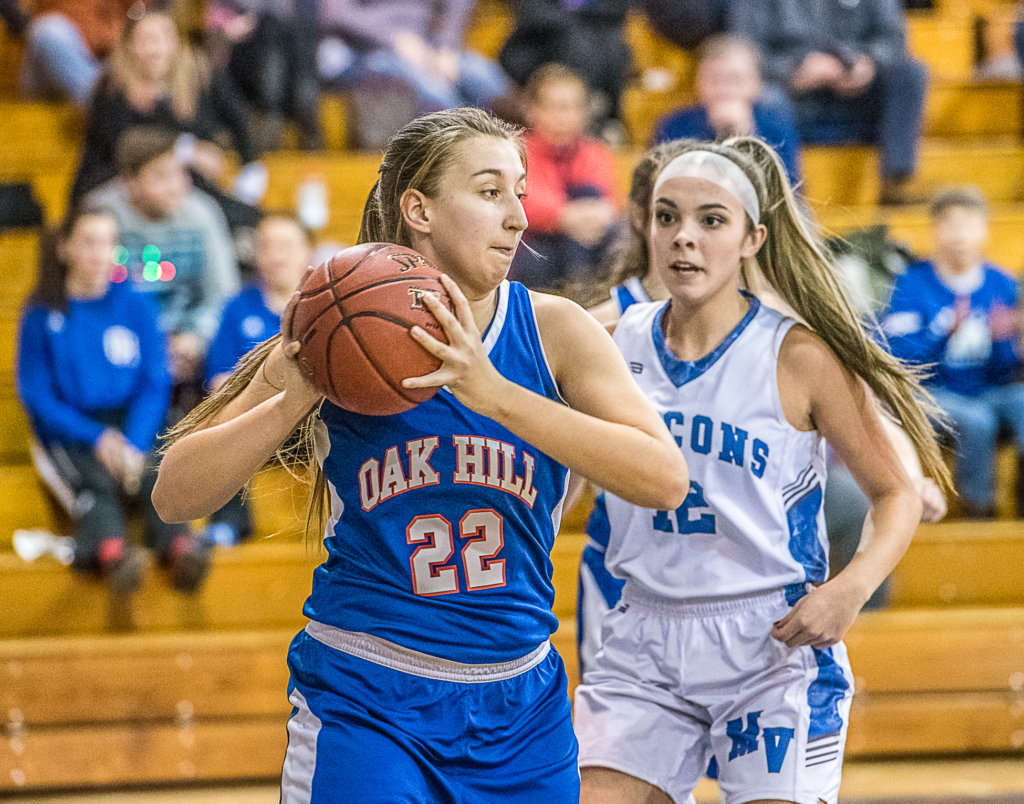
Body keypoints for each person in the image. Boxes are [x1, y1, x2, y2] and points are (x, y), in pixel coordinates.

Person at [152, 107, 689, 801]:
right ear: (419, 209)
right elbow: (175, 495)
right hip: (369, 694)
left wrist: (495, 394)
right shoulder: (338, 327)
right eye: (490, 192)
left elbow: (665, 480)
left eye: (519, 193)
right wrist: (290, 400)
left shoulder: (555, 330)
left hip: (521, 702)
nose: (518, 218)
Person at [571, 136, 950, 804]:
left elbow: (893, 492)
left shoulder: (799, 354)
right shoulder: (608, 341)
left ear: (753, 239)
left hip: (768, 643)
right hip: (642, 636)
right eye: (667, 217)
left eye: (711, 220)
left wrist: (852, 588)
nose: (684, 237)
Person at [15, 208, 209, 596]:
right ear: (65, 248)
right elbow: (37, 395)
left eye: (107, 243)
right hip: (72, 430)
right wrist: (97, 438)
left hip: (132, 420)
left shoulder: (135, 302)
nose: (100, 253)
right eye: (89, 242)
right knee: (94, 484)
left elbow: (155, 382)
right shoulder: (42, 314)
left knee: (160, 470)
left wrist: (134, 443)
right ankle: (112, 555)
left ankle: (178, 549)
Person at [882, 186, 1024, 519]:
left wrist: (1008, 343)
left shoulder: (1002, 284)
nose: (959, 234)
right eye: (950, 224)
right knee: (977, 420)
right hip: (931, 391)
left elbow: (1005, 370)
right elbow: (896, 357)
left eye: (968, 224)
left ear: (984, 230)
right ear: (935, 230)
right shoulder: (911, 283)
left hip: (987, 389)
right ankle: (978, 514)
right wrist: (941, 334)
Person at [84, 126, 241, 417]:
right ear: (128, 181)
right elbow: (87, 295)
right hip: (122, 340)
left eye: (180, 173)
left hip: (185, 341)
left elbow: (222, 293)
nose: (175, 186)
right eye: (160, 176)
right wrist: (145, 344)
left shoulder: (202, 214)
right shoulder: (100, 214)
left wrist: (196, 336)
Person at [69, 7, 265, 228]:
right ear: (129, 45)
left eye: (162, 38)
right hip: (120, 185)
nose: (155, 48)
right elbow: (125, 145)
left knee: (252, 219)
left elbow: (238, 119)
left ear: (176, 42)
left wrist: (251, 167)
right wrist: (187, 150)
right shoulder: (111, 88)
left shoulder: (201, 77)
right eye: (145, 40)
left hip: (185, 188)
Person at [729, 0, 929, 205]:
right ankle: (786, 201)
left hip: (858, 96)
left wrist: (868, 62)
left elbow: (893, 39)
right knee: (768, 98)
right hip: (793, 99)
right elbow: (743, 50)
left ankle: (895, 183)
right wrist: (791, 70)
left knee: (910, 72)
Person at [203, 213, 313, 545]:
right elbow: (219, 383)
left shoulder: (325, 308)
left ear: (307, 252)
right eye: (267, 246)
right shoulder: (237, 308)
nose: (276, 256)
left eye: (286, 246)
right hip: (258, 423)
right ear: (257, 256)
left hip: (315, 423)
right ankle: (227, 526)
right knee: (220, 430)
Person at [317, 0, 513, 148]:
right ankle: (459, 156)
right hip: (365, 49)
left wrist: (445, 46)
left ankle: (503, 151)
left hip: (428, 46)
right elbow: (335, 13)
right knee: (436, 91)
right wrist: (394, 39)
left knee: (483, 75)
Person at [511, 64, 620, 290]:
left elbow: (608, 205)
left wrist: (578, 217)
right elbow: (521, 201)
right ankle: (578, 291)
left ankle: (586, 291)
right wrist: (564, 216)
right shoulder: (517, 152)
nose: (565, 117)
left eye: (573, 108)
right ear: (532, 110)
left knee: (598, 207)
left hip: (589, 243)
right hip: (536, 248)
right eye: (556, 108)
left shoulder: (593, 151)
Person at [651, 35, 802, 186]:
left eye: (735, 79)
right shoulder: (674, 125)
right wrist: (715, 132)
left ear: (756, 83)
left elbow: (786, 188)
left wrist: (745, 133)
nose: (724, 89)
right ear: (699, 82)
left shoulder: (776, 126)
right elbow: (666, 183)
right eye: (714, 80)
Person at [499, 0, 631, 142]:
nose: (562, 119)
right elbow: (535, 15)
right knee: (575, 41)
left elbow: (615, 10)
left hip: (592, 43)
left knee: (613, 47)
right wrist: (577, 18)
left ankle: (604, 113)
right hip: (539, 51)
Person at [17, 0, 140, 107]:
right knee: (48, 30)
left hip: (105, 61)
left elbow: (142, 12)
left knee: (143, 39)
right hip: (53, 68)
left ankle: (115, 104)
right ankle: (105, 105)